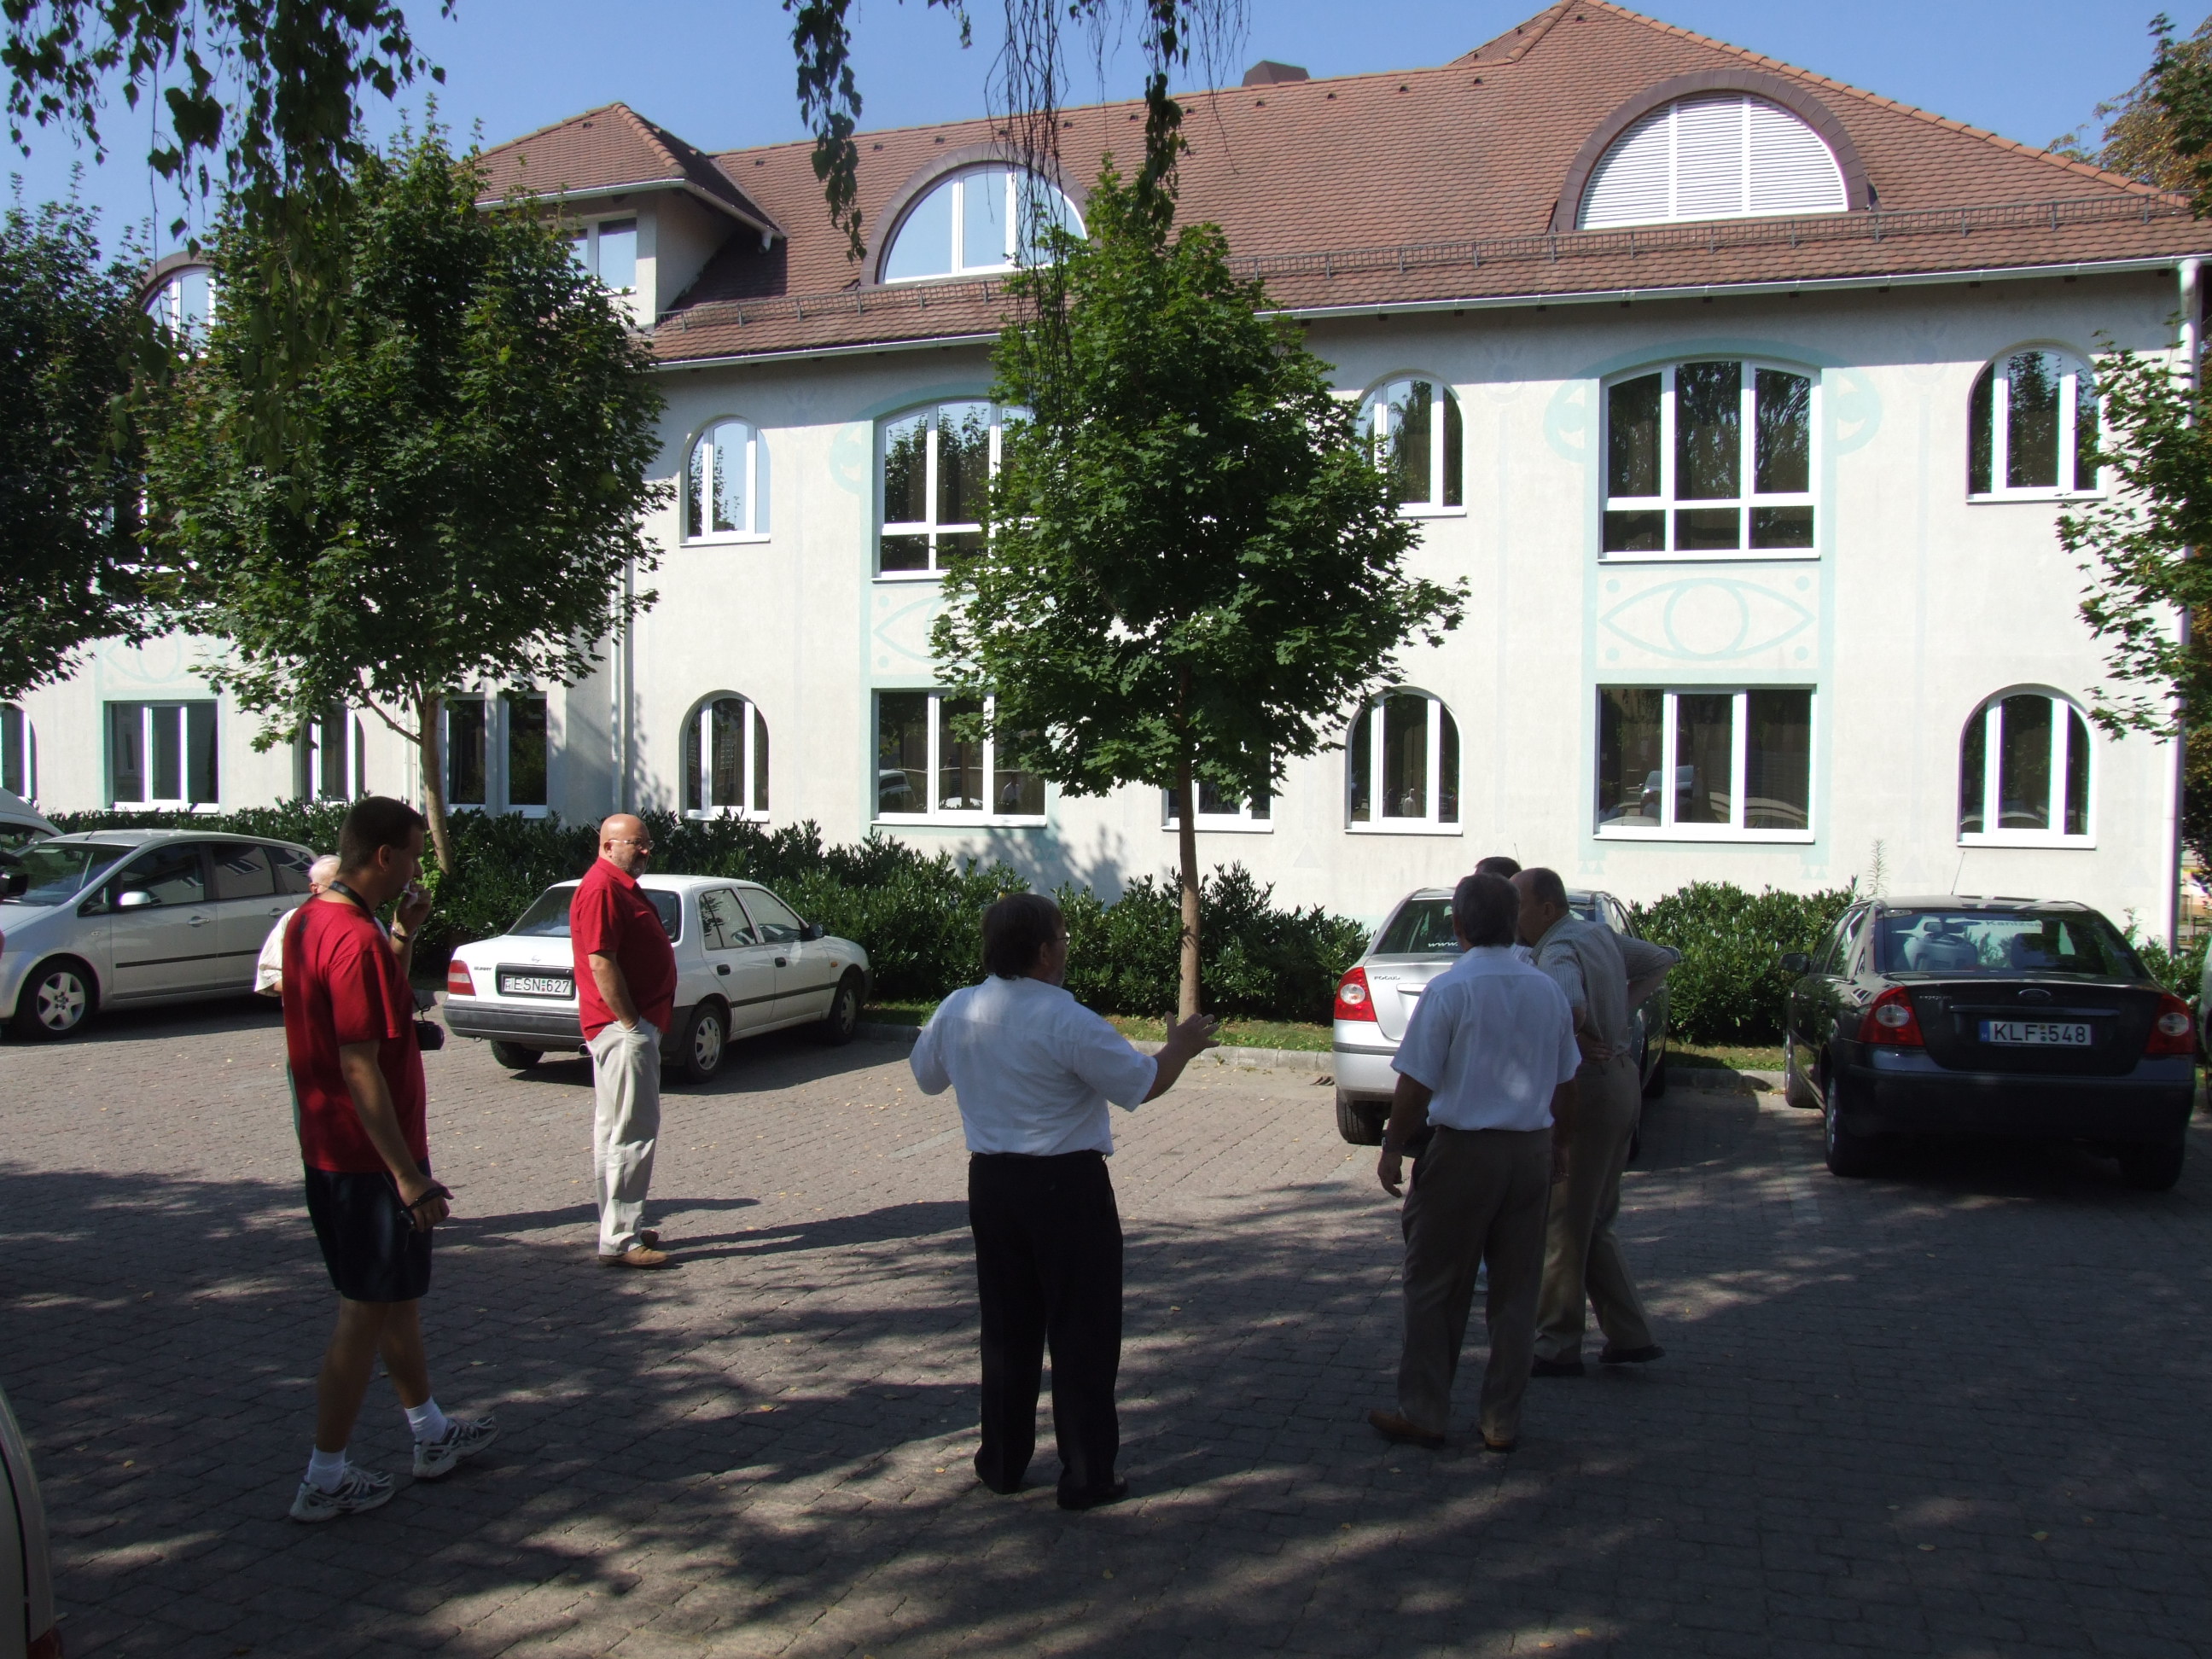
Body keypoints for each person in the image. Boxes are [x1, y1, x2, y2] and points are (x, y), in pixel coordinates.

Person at [910, 893, 1220, 1511]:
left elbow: (926, 1077)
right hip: (1066, 1186)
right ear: (1044, 951)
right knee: (1082, 1329)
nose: (1067, 949)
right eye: (1064, 939)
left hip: (992, 1182)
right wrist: (1181, 1046)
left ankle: (1002, 1463)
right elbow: (1142, 1083)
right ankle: (1086, 1473)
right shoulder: (1066, 1019)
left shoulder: (959, 1007)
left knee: (1006, 1328)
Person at [284, 796, 495, 1522]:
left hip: (336, 1150)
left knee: (395, 1300)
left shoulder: (315, 921)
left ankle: (430, 1434)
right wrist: (407, 1176)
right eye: (413, 853)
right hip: (369, 1162)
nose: (417, 868)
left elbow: (380, 1004)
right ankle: (324, 1476)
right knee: (363, 1312)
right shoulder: (352, 939)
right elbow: (359, 1063)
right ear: (384, 857)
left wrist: (404, 934)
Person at [1367, 872, 1580, 1454]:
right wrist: (1560, 1145)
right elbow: (1567, 1079)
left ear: (1458, 925)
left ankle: (1425, 1410)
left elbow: (1415, 1082)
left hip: (1463, 1152)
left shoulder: (1450, 990)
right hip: (1530, 1150)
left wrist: (1393, 1145)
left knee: (1434, 1283)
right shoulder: (1547, 991)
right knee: (1517, 1290)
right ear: (1514, 923)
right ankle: (1501, 1419)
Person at [1512, 866, 1665, 1377]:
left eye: (1519, 907)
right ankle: (1630, 1335)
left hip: (1589, 1087)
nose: (1513, 918)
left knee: (1563, 1220)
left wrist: (1577, 1035)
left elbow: (1569, 1006)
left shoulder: (1556, 949)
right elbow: (1661, 959)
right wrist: (1622, 1007)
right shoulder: (1596, 934)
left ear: (1547, 909)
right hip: (1621, 1081)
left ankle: (1557, 1343)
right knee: (1594, 1219)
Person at [572, 812, 678, 1270]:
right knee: (632, 1134)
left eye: (647, 842)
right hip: (623, 1031)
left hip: (623, 1029)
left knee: (615, 1132)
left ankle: (618, 1227)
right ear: (608, 845)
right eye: (637, 844)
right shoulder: (602, 888)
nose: (646, 851)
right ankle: (621, 1238)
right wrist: (631, 1023)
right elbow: (601, 961)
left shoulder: (619, 886)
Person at [257, 854, 340, 997]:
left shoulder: (367, 920)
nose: (343, 893)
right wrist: (316, 989)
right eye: (335, 887)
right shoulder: (294, 919)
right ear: (315, 888)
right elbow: (269, 976)